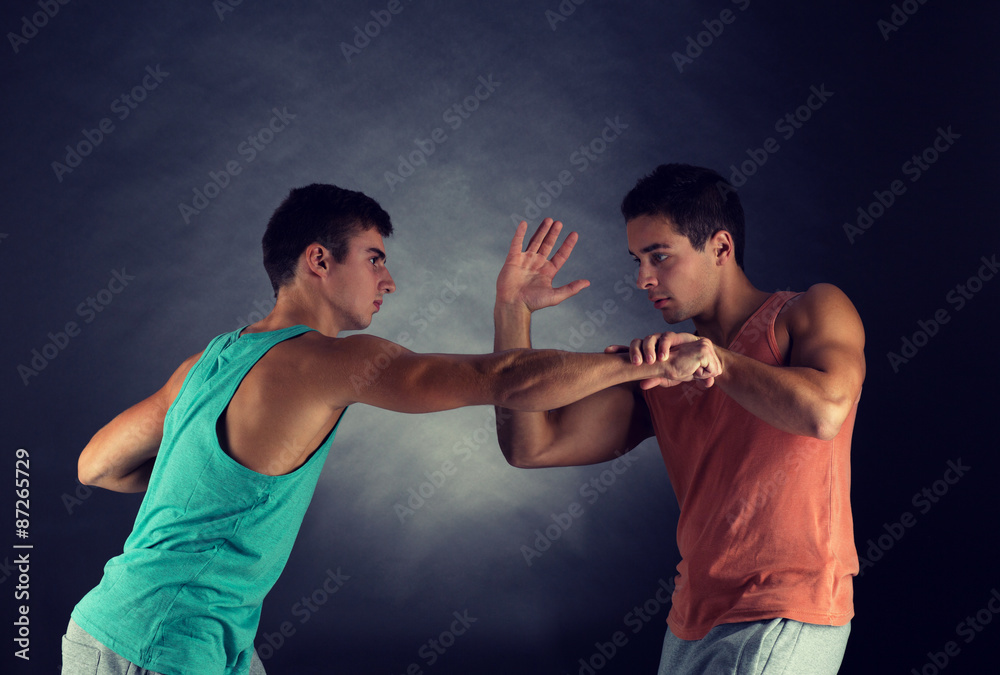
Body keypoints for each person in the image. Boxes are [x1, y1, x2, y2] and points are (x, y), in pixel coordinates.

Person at [62, 183, 721, 675]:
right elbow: (509, 380)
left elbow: (96, 464)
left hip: (126, 628)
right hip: (161, 646)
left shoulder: (204, 361)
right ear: (319, 261)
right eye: (374, 259)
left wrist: (207, 481)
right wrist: (640, 361)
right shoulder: (327, 360)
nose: (390, 280)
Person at [493, 164, 865, 674]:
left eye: (659, 256)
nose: (643, 279)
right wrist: (513, 312)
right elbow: (530, 446)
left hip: (786, 609)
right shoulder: (662, 369)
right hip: (691, 620)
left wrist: (715, 359)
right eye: (637, 260)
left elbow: (825, 412)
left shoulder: (810, 310)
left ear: (720, 248)